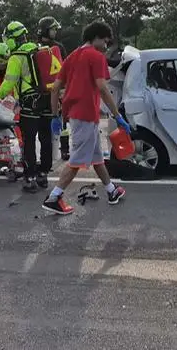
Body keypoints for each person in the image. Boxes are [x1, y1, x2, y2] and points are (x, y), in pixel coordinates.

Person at [43, 20, 131, 215]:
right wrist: (117, 115)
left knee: (96, 156)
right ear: (97, 38)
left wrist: (54, 115)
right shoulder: (96, 57)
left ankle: (111, 191)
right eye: (106, 42)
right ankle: (54, 197)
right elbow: (102, 87)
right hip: (86, 114)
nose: (106, 46)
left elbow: (56, 87)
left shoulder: (72, 57)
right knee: (76, 160)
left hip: (74, 114)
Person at [0, 20, 61, 193]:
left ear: (11, 39)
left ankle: (29, 177)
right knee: (46, 138)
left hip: (30, 102)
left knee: (29, 141)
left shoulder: (16, 57)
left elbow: (9, 84)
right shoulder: (40, 49)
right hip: (47, 97)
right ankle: (43, 174)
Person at [37, 16, 71, 160]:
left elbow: (65, 67)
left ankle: (64, 149)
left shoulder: (58, 47)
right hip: (42, 91)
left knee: (62, 122)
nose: (55, 32)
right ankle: (47, 153)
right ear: (46, 30)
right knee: (44, 124)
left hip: (58, 89)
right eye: (53, 29)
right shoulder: (36, 47)